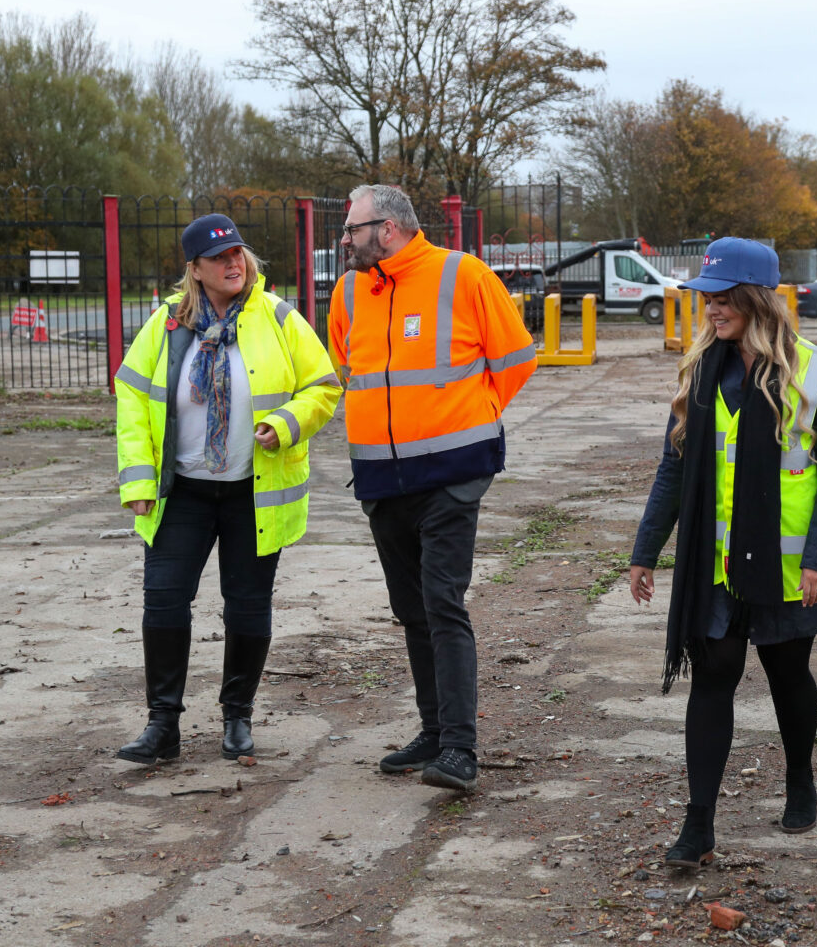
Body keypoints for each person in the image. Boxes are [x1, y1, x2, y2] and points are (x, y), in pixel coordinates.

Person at [629, 238, 817, 867]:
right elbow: (672, 470)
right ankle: (698, 823)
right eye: (706, 298)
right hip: (715, 565)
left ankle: (801, 779)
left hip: (788, 568)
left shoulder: (814, 374)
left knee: (788, 677)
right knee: (714, 679)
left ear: (757, 299)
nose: (711, 310)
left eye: (724, 298)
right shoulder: (701, 371)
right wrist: (645, 551)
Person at [327, 184, 537, 794]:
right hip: (381, 476)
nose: (344, 239)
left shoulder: (462, 275)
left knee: (442, 602)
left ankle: (460, 750)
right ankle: (432, 731)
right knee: (411, 609)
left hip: (451, 474)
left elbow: (517, 358)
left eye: (352, 228)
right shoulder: (348, 291)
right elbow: (349, 364)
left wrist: (472, 415)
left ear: (387, 229)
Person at [113, 213, 340, 765]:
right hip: (182, 492)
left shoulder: (279, 318)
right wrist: (140, 479)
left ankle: (237, 717)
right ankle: (162, 725)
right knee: (164, 601)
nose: (232, 263)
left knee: (247, 605)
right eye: (218, 258)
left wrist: (286, 423)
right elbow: (133, 396)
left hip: (252, 493)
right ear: (195, 269)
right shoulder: (168, 323)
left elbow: (324, 387)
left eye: (237, 253)